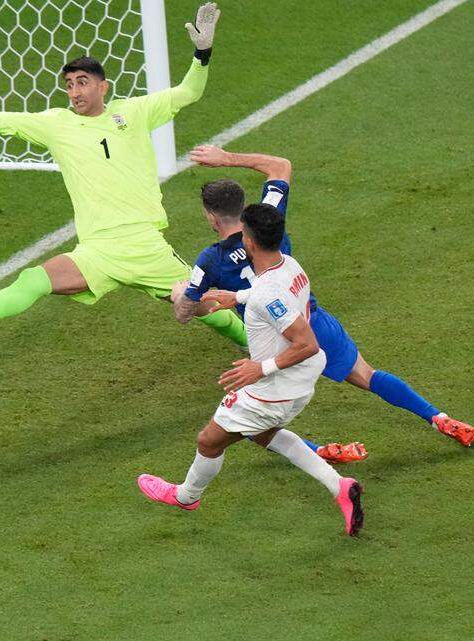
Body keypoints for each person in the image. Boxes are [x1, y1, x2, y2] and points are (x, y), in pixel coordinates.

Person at [0, 3, 247, 348]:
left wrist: (202, 53)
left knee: (203, 306)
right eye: (69, 85)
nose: (75, 91)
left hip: (143, 245)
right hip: (96, 249)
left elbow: (189, 92)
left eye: (83, 82)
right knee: (36, 279)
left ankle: (259, 346)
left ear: (103, 86)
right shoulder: (55, 124)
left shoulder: (135, 111)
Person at [177, 145, 474, 451]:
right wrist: (228, 159)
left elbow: (187, 311)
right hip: (311, 322)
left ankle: (319, 452)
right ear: (242, 207)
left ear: (213, 218)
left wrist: (182, 294)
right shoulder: (269, 221)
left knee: (248, 423)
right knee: (367, 375)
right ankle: (438, 417)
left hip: (270, 348)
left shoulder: (210, 260)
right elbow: (281, 165)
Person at [138, 203, 364, 536]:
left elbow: (307, 343)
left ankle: (186, 496)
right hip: (301, 381)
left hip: (274, 388)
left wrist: (261, 368)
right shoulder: (289, 265)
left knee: (209, 441)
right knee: (264, 434)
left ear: (250, 242)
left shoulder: (266, 293)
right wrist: (239, 297)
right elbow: (273, 297)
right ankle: (340, 486)